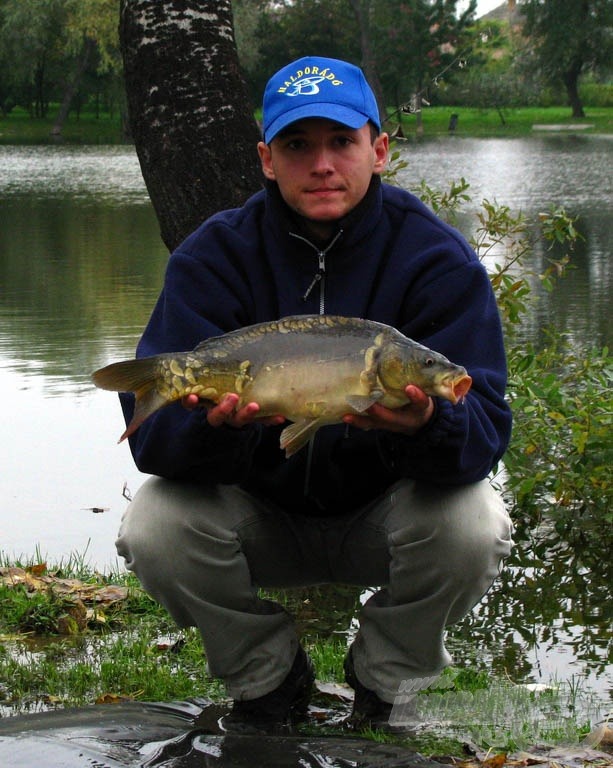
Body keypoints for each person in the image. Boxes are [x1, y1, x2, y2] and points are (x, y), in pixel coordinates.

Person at [115, 56, 513, 734]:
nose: (321, 164)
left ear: (378, 149)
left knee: (475, 524)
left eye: (341, 142)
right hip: (260, 516)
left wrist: (423, 426)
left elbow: (484, 431)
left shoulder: (435, 259)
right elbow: (153, 448)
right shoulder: (213, 258)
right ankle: (267, 678)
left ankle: (382, 682)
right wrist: (221, 427)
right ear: (268, 159)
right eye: (299, 146)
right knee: (154, 524)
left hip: (379, 521)